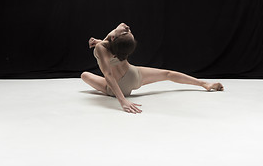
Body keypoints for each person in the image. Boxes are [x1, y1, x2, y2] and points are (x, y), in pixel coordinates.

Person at [81, 23, 224, 114]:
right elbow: (111, 42)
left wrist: (122, 100)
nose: (126, 28)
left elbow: (109, 75)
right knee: (168, 74)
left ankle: (204, 84)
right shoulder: (116, 47)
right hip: (134, 76)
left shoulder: (103, 47)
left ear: (113, 39)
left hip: (118, 88)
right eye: (127, 32)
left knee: (84, 75)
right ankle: (204, 83)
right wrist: (100, 41)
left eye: (127, 32)